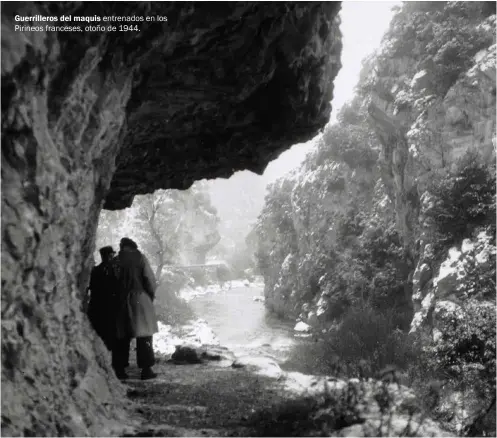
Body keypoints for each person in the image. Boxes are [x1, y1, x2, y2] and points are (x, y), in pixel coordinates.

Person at [113, 237, 159, 380]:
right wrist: (150, 296)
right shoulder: (141, 258)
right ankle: (146, 370)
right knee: (144, 334)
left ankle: (120, 370)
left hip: (121, 300)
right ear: (133, 246)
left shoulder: (116, 260)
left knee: (121, 336)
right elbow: (149, 279)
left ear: (123, 247)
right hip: (140, 298)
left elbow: (112, 281)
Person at [87, 246, 119, 351]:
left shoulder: (96, 270)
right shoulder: (108, 270)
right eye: (111, 256)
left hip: (99, 306)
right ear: (107, 256)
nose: (112, 258)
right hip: (105, 307)